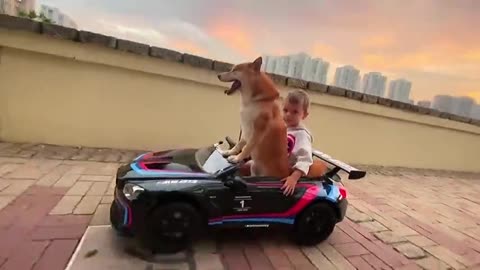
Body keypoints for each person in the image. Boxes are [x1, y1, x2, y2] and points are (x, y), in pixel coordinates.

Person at [281, 89, 314, 196]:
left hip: (287, 172)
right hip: (276, 165)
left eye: (295, 112)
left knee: (251, 167)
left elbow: (305, 159)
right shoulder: (284, 129)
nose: (288, 115)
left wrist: (293, 178)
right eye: (285, 110)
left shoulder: (301, 134)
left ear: (304, 115)